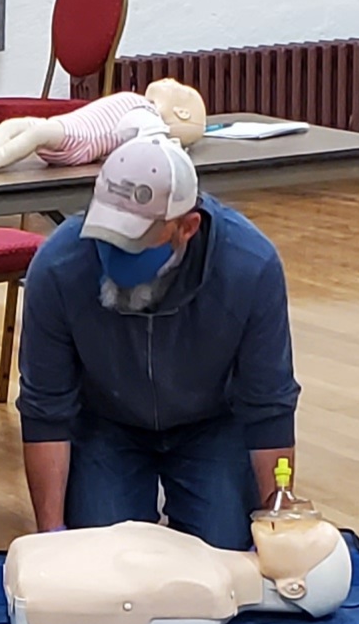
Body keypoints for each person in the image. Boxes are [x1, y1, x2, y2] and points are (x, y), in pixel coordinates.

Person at [17, 130, 300, 549]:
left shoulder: (249, 266)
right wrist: (53, 540)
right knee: (102, 557)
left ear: (187, 227)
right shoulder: (59, 267)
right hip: (105, 423)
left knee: (224, 554)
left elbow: (269, 408)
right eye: (107, 235)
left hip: (212, 424)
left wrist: (278, 527)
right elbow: (45, 411)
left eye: (133, 241)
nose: (116, 252)